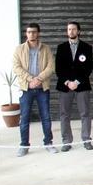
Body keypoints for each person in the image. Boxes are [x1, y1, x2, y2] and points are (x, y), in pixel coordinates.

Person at [12, 22, 58, 156]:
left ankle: (48, 143)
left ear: (38, 33)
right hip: (26, 89)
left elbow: (51, 66)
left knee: (46, 117)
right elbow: (16, 67)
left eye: (34, 32)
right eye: (29, 32)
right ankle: (24, 145)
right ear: (26, 34)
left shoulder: (46, 49)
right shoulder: (19, 49)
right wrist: (30, 79)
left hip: (42, 88)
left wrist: (38, 79)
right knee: (25, 117)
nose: (31, 34)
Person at [55, 21, 93, 152]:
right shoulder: (61, 47)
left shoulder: (87, 47)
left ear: (79, 31)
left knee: (85, 113)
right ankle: (66, 141)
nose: (71, 31)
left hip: (82, 86)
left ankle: (86, 139)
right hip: (65, 86)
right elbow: (58, 69)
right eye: (69, 29)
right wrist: (68, 82)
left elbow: (89, 68)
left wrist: (76, 82)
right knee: (64, 114)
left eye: (73, 29)